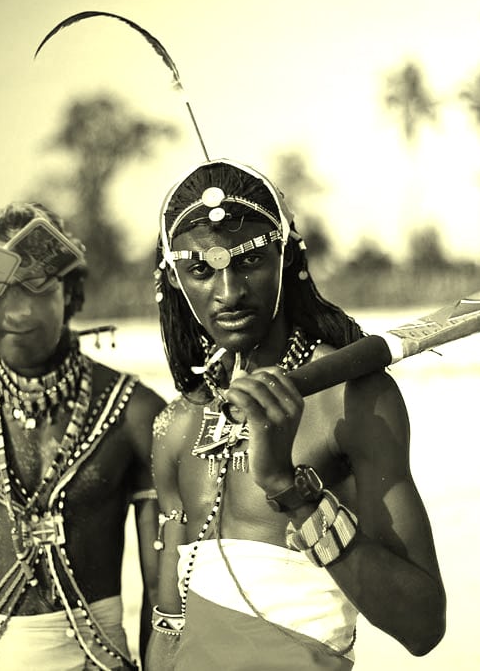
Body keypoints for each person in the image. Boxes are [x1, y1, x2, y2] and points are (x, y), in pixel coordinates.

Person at [145, 159, 446, 669]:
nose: (229, 292)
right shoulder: (179, 424)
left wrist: (291, 491)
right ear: (174, 280)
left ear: (288, 259)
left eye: (248, 261)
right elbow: (167, 625)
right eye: (200, 270)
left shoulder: (351, 400)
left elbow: (422, 625)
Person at [0, 202, 166, 671]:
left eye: (36, 286)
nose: (15, 309)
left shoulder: (136, 416)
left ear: (73, 295)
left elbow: (166, 603)